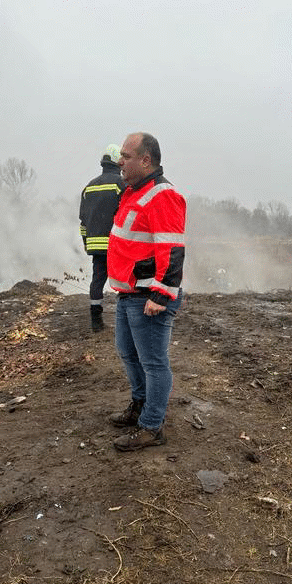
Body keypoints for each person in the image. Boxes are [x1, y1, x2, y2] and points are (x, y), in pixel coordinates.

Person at [107, 132, 186, 451]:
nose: (119, 162)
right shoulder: (133, 193)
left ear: (146, 160)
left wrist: (161, 294)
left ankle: (152, 427)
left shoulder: (162, 195)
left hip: (147, 296)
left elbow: (172, 249)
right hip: (128, 292)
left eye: (125, 156)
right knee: (127, 352)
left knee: (153, 362)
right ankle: (139, 405)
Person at [79, 145, 125, 332]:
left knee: (97, 280)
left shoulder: (88, 187)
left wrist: (86, 242)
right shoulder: (121, 185)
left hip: (95, 244)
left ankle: (96, 321)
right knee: (124, 281)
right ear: (117, 161)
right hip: (117, 244)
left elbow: (83, 221)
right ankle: (126, 320)